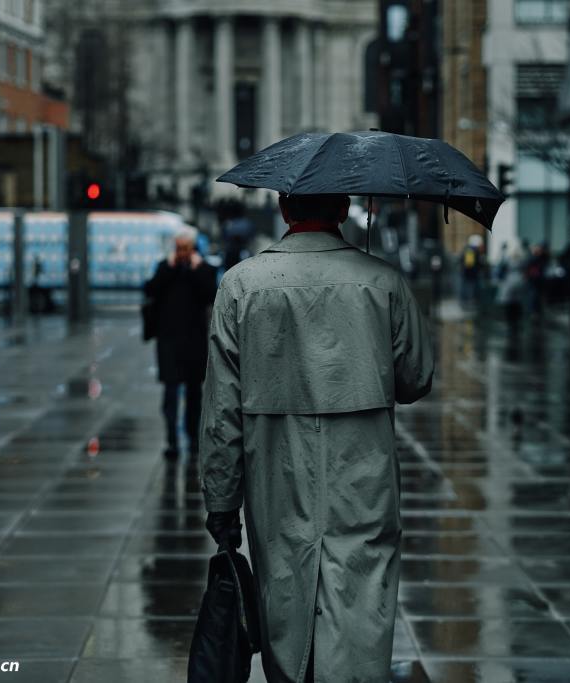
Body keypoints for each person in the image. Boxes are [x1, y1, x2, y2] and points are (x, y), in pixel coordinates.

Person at [199, 193, 434, 683]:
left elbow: (222, 414)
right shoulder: (384, 281)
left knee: (286, 595)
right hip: (364, 482)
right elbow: (415, 379)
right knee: (361, 605)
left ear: (285, 210)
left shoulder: (241, 286)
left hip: (278, 482)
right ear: (344, 208)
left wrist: (222, 503)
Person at [143, 226, 217, 459]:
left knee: (195, 393)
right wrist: (170, 267)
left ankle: (192, 437)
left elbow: (210, 294)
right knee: (171, 393)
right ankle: (172, 440)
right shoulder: (166, 267)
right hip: (169, 340)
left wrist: (196, 269)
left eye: (186, 248)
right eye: (179, 248)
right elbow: (151, 289)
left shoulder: (203, 269)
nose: (183, 252)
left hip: (194, 341)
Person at [460, 234, 483, 307]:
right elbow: (469, 264)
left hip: (470, 274)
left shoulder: (470, 250)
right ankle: (469, 303)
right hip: (470, 275)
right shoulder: (471, 250)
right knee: (470, 289)